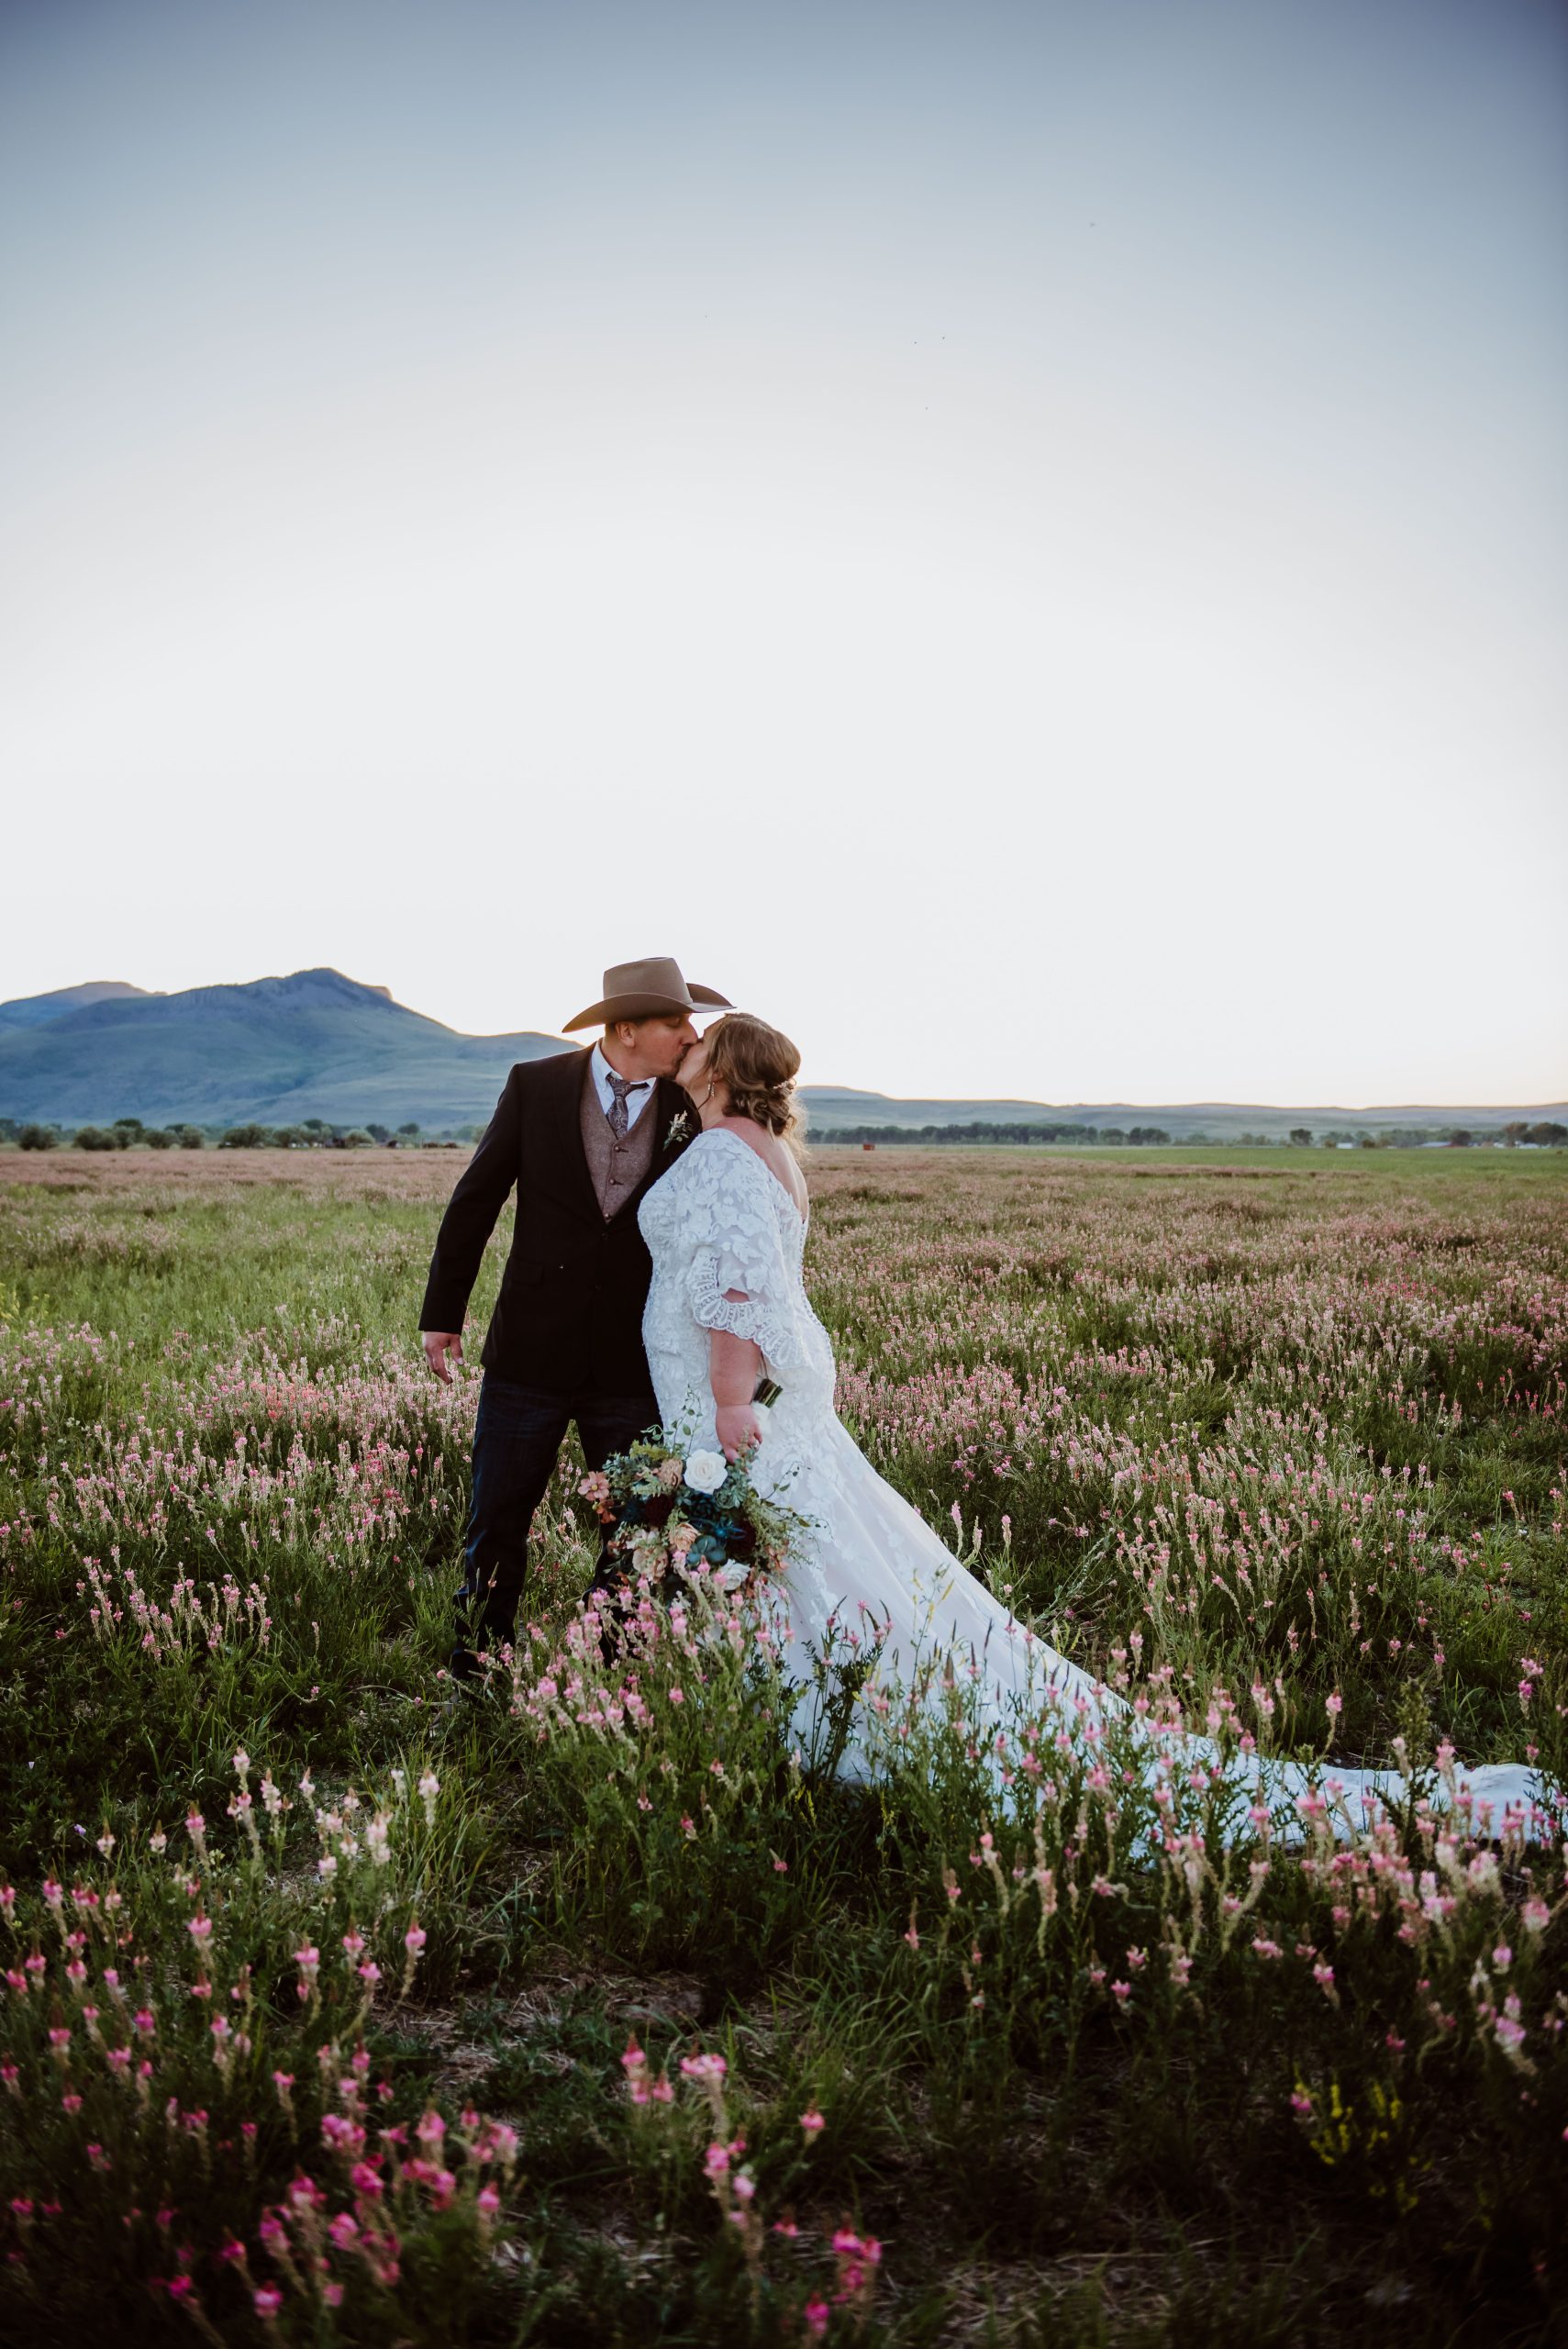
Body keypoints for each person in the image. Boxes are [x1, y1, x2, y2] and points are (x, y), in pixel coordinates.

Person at [638, 1013, 1549, 1840]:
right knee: (812, 1564)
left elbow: (737, 1289)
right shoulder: (762, 1147)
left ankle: (820, 1742)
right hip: (766, 1412)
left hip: (734, 1413)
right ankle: (807, 1725)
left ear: (724, 1069)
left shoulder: (722, 1153)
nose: (690, 1042)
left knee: (787, 1565)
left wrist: (725, 1401)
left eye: (703, 1037)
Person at [419, 955, 731, 1675]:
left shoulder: (691, 1104)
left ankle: (609, 1668)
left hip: (633, 1355)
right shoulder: (536, 1085)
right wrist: (444, 1314)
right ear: (626, 1028)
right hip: (528, 1349)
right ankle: (477, 1665)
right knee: (496, 1517)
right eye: (675, 1021)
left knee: (635, 1525)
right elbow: (477, 1199)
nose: (690, 1035)